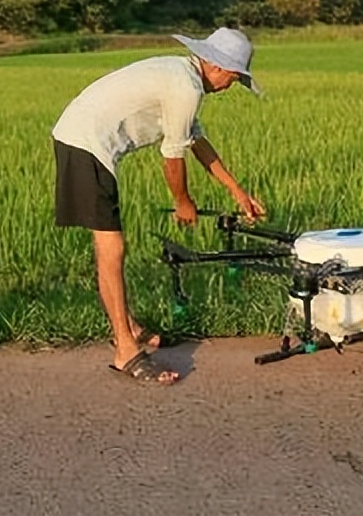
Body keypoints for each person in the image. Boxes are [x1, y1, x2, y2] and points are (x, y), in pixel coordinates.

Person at [51, 27, 266, 385]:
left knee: (111, 248)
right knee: (112, 249)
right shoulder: (185, 87)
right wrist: (183, 202)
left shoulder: (181, 75)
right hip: (85, 143)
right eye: (233, 77)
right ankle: (124, 350)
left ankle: (130, 328)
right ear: (215, 66)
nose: (231, 86)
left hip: (84, 138)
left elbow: (196, 140)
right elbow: (173, 155)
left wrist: (238, 193)